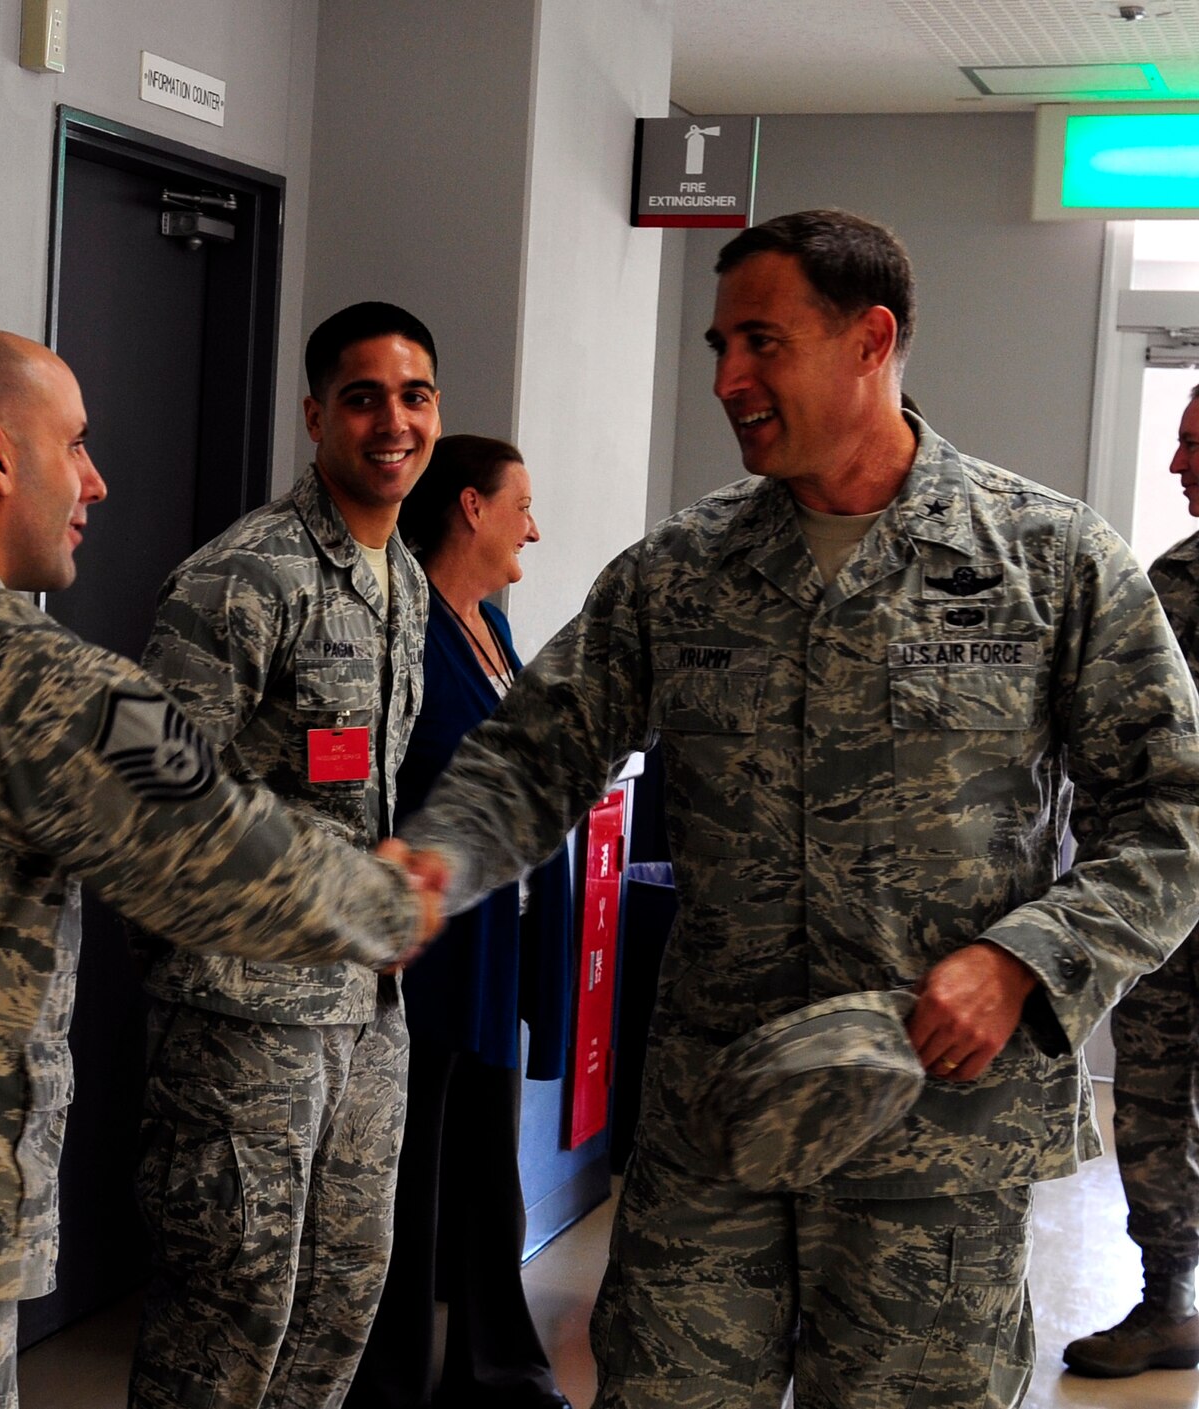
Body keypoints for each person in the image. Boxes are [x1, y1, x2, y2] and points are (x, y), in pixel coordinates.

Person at [397, 209, 1199, 1407]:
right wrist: (429, 864)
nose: (725, 377)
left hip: (935, 1143)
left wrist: (1025, 959)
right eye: (721, 343)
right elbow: (532, 754)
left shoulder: (1048, 561)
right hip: (712, 1131)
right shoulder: (680, 570)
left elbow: (1171, 814)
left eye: (760, 342)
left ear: (869, 340)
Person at [0, 328, 440, 1409]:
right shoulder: (36, 676)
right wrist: (390, 899)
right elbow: (221, 849)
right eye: (77, 445)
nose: (94, 480)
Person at [127, 301, 437, 1409]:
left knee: (341, 1295)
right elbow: (143, 794)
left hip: (365, 1011)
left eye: (413, 396)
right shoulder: (242, 577)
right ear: (314, 414)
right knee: (229, 1313)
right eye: (362, 396)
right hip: (241, 1018)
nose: (391, 421)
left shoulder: (401, 576)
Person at [343, 434, 571, 1409]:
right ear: (470, 508)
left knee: (483, 1174)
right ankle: (392, 1384)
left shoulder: (492, 628)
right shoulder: (407, 625)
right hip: (428, 958)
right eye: (519, 502)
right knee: (410, 1184)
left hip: (494, 949)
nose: (533, 523)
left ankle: (495, 1373)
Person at [1063, 384, 1199, 1378]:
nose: (1172, 465)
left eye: (1191, 445)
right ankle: (1166, 1302)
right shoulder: (1169, 583)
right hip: (1168, 903)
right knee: (1148, 1097)